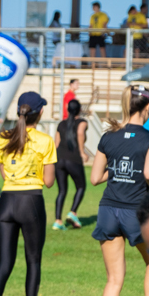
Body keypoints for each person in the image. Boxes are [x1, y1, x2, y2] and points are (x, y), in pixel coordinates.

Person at [89, 85, 149, 296]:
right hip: (135, 212)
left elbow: (95, 178)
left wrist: (119, 169)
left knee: (114, 279)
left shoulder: (108, 136)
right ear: (147, 107)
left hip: (108, 210)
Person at [0, 92, 56, 296]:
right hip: (31, 203)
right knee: (33, 260)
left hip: (6, 202)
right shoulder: (45, 141)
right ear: (40, 113)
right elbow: (49, 182)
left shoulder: (3, 136)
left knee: (3, 264)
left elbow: (3, 171)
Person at [53, 99, 88, 231]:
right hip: (73, 159)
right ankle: (73, 212)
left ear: (67, 110)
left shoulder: (61, 124)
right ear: (80, 110)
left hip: (59, 159)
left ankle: (57, 221)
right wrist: (82, 152)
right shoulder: (82, 122)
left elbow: (56, 143)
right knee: (81, 186)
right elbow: (80, 133)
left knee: (62, 191)